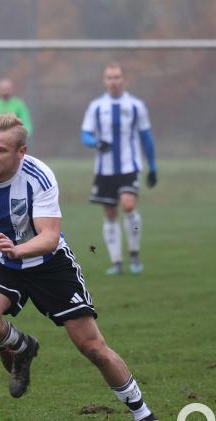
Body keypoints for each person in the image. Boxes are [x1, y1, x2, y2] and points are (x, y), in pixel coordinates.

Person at [0, 113, 166, 421]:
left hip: (49, 264)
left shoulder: (39, 177)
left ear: (20, 153)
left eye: (0, 150)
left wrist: (18, 250)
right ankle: (22, 346)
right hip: (4, 262)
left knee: (92, 346)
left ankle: (144, 414)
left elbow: (49, 237)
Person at [80, 62, 158, 275]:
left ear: (124, 79)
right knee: (110, 213)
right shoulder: (96, 107)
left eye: (117, 77)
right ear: (104, 81)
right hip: (105, 170)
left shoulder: (136, 106)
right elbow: (85, 134)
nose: (113, 81)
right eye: (109, 77)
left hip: (129, 167)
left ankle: (134, 252)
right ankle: (116, 261)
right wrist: (95, 143)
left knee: (129, 205)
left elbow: (146, 137)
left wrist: (153, 167)